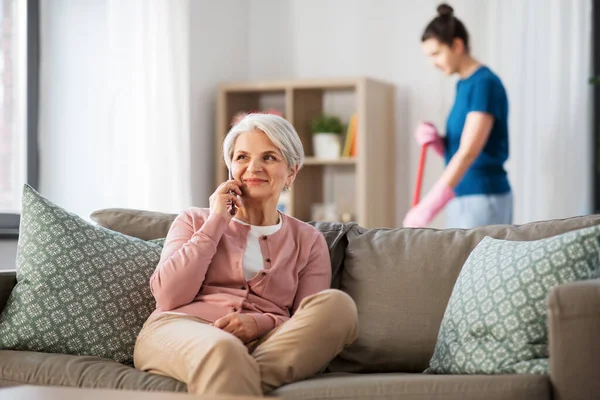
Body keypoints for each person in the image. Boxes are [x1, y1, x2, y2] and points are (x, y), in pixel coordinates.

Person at [133, 113, 358, 396]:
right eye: (242, 157)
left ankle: (234, 377)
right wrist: (215, 222)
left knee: (338, 308)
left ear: (292, 171)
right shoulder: (193, 220)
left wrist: (258, 323)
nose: (253, 167)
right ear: (230, 167)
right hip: (182, 330)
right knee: (223, 349)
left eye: (269, 157)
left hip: (266, 343)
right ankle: (233, 371)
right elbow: (168, 296)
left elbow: (303, 320)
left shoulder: (309, 240)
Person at [403, 3, 513, 229]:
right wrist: (438, 141)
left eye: (436, 53)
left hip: (483, 196)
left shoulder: (484, 83)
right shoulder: (464, 84)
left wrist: (429, 205)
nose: (432, 62)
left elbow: (470, 150)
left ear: (457, 45)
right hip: (461, 194)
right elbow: (461, 146)